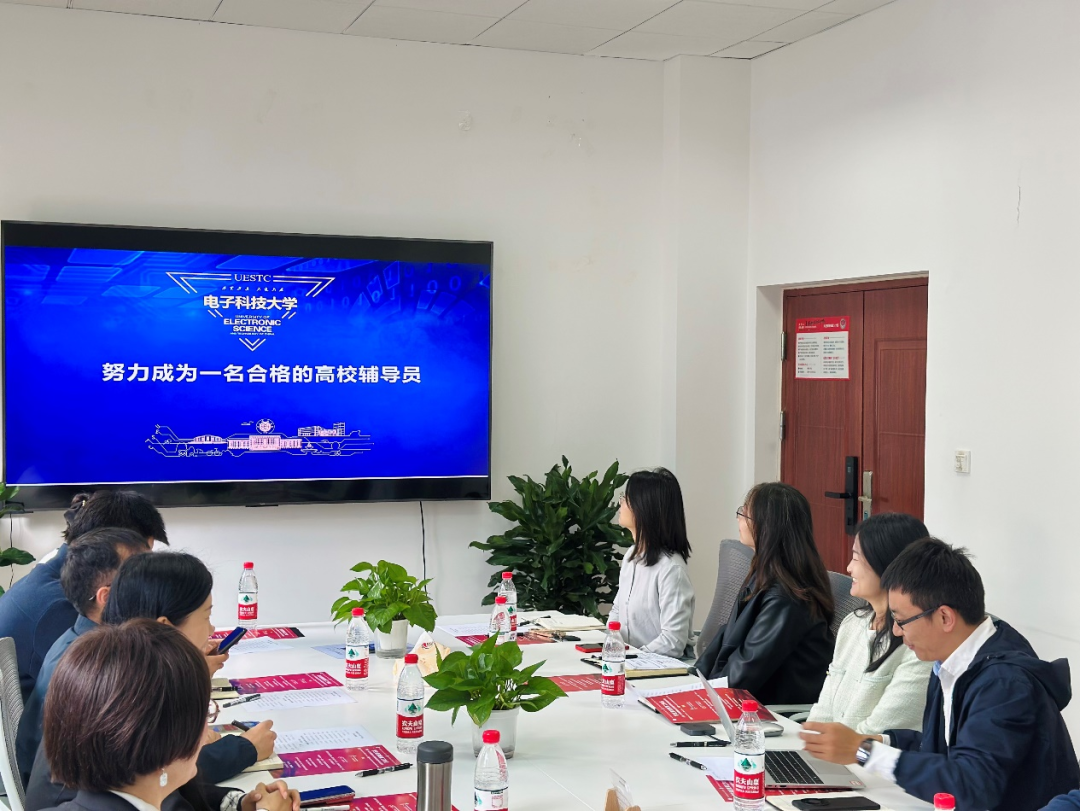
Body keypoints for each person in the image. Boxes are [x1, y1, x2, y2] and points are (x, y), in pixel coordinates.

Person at [800, 538, 1080, 811]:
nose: (896, 631)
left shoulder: (1004, 683)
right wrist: (877, 742)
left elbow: (972, 785)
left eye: (901, 620)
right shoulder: (951, 658)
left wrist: (864, 752)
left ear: (945, 617)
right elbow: (939, 748)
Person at [37, 618, 298, 811]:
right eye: (205, 715)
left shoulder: (128, 789)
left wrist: (240, 804)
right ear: (166, 743)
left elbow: (177, 799)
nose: (206, 732)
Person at [101, 552, 275, 780]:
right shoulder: (133, 696)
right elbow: (163, 779)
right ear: (165, 627)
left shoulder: (122, 666)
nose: (212, 630)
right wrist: (246, 749)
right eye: (206, 617)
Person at [0, 490, 167, 700]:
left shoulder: (61, 571)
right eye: (140, 560)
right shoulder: (61, 606)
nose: (144, 573)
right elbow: (111, 691)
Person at [17, 529, 150, 785]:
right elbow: (146, 763)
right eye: (143, 577)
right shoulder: (98, 665)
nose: (156, 587)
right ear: (106, 597)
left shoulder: (80, 639)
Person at [694, 482, 834, 704]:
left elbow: (743, 676)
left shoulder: (786, 599)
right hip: (737, 699)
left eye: (744, 514)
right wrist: (692, 680)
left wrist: (700, 695)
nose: (738, 519)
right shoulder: (762, 574)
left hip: (764, 712)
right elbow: (726, 638)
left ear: (766, 527)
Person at [804, 513, 933, 734]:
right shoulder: (852, 624)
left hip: (867, 754)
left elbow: (880, 733)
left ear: (887, 564)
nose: (848, 568)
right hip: (829, 751)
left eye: (856, 558)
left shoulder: (917, 647)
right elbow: (823, 711)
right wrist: (807, 743)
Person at [607, 468, 695, 658]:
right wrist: (611, 647)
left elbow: (672, 642)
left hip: (661, 666)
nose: (621, 503)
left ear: (644, 508)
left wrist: (632, 658)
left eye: (626, 498)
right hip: (631, 662)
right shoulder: (631, 556)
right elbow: (617, 611)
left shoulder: (671, 569)